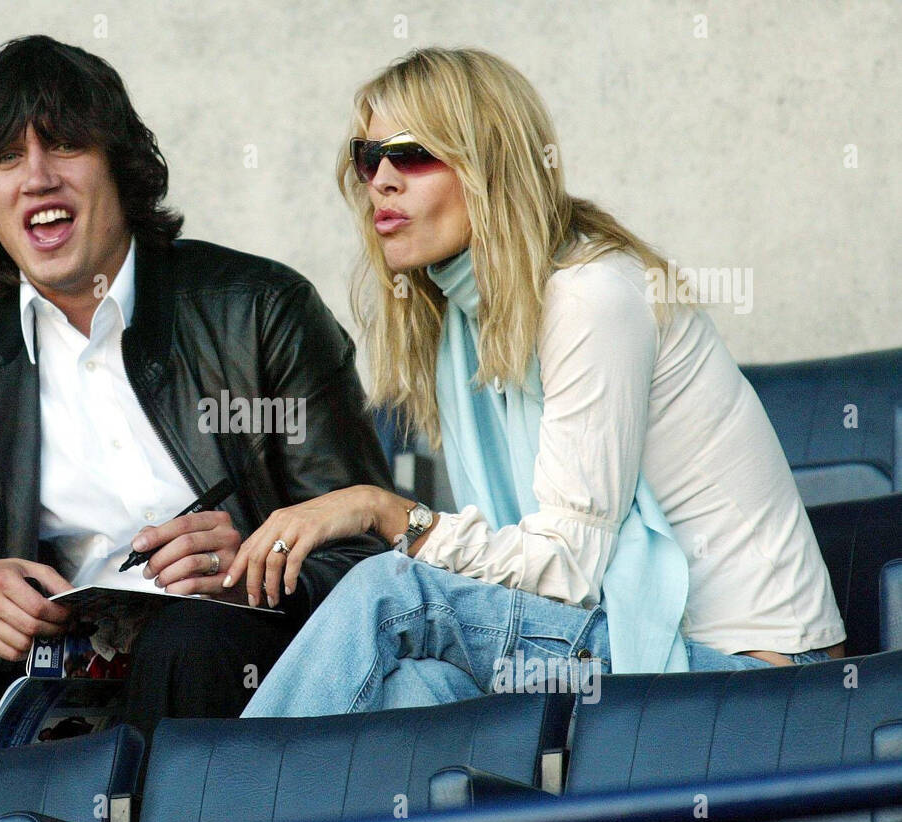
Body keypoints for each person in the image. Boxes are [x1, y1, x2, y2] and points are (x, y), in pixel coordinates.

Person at [0, 35, 392, 758]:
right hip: (39, 690)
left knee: (190, 641)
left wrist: (252, 569)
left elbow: (371, 552)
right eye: (5, 159)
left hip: (229, 666)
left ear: (121, 168)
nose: (36, 178)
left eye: (63, 147)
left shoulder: (259, 309)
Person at [229, 47, 846, 718]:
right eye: (366, 156)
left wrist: (385, 513)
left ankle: (224, 806)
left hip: (758, 677)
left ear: (490, 165)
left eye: (410, 154)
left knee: (392, 592)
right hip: (615, 646)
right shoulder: (462, 323)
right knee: (414, 691)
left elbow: (566, 570)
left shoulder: (591, 295)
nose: (381, 180)